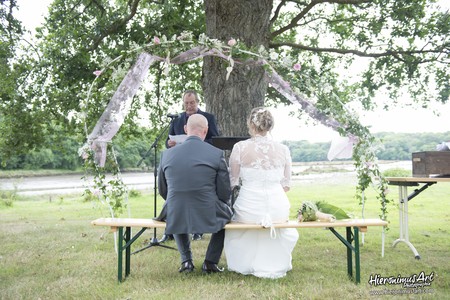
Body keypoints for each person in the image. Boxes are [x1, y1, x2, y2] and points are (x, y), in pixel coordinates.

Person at [224, 107, 299, 279]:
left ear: (251, 124)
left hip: (249, 205)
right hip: (277, 206)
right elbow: (286, 185)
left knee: (243, 218)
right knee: (273, 215)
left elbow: (232, 182)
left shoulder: (240, 147)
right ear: (270, 126)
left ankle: (246, 263)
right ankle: (274, 262)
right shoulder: (283, 149)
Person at [156, 114, 232, 273]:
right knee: (228, 217)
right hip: (207, 208)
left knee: (175, 209)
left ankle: (186, 261)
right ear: (205, 131)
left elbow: (163, 189)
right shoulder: (216, 154)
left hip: (176, 207)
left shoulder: (167, 154)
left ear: (185, 129)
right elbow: (224, 192)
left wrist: (175, 200)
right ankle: (210, 262)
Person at [160, 90, 220, 242]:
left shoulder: (208, 118)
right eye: (186, 103)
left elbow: (215, 140)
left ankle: (198, 230)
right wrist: (170, 143)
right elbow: (168, 141)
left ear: (198, 102)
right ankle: (171, 230)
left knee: (199, 194)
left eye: (192, 103)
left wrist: (194, 142)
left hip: (201, 162)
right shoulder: (177, 119)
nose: (189, 106)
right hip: (181, 164)